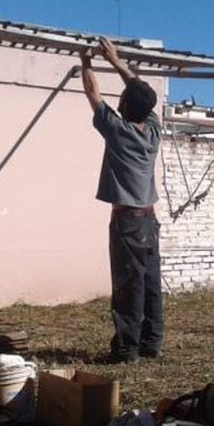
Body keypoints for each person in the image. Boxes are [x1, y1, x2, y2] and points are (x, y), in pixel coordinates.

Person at [80, 37, 163, 363]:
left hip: (127, 220)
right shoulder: (153, 130)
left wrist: (86, 62)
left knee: (129, 283)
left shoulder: (118, 131)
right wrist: (116, 62)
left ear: (126, 106)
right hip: (148, 220)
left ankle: (128, 348)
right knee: (150, 280)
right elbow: (141, 96)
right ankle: (152, 343)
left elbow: (92, 94)